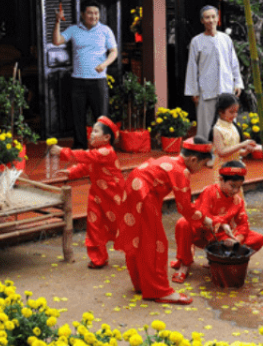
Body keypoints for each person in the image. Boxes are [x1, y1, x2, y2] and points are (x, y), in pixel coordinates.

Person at [114, 137, 215, 305]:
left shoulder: (169, 159)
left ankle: (142, 284)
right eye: (203, 164)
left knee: (140, 240)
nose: (202, 169)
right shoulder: (181, 171)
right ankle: (159, 291)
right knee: (156, 244)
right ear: (193, 159)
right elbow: (184, 207)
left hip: (134, 190)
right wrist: (205, 220)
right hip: (144, 196)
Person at [50, 115, 124, 269]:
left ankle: (137, 250)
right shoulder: (97, 152)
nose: (91, 134)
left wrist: (62, 151)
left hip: (113, 195)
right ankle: (98, 258)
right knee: (94, 225)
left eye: (96, 132)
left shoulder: (106, 152)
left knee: (120, 224)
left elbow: (85, 156)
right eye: (92, 131)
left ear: (107, 137)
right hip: (97, 194)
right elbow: (86, 166)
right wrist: (70, 172)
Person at [171, 160, 263, 283]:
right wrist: (223, 224)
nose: (236, 191)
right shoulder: (209, 191)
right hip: (201, 233)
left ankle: (222, 261)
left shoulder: (238, 201)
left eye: (239, 187)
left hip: (220, 238)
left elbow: (243, 224)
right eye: (232, 186)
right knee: (183, 222)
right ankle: (184, 265)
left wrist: (236, 240)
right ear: (220, 179)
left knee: (258, 238)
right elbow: (202, 215)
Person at [52, 0, 118, 149]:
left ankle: (103, 147)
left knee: (101, 117)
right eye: (90, 13)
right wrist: (57, 21)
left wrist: (104, 64)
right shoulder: (74, 29)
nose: (94, 16)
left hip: (98, 80)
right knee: (78, 117)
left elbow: (113, 52)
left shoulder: (105, 30)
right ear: (82, 14)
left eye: (96, 13)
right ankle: (80, 146)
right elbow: (56, 41)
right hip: (78, 81)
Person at [185, 5, 243, 139]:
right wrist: (193, 91)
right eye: (207, 17)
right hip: (206, 90)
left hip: (226, 87)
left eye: (213, 17)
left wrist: (238, 83)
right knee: (204, 127)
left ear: (218, 18)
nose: (210, 20)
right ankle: (204, 150)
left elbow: (234, 63)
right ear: (202, 20)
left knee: (229, 123)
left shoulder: (226, 39)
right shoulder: (196, 41)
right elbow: (192, 67)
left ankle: (230, 149)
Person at [209, 93, 257, 183]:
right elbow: (222, 152)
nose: (235, 115)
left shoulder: (233, 126)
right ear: (221, 111)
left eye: (236, 112)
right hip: (223, 171)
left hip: (235, 168)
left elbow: (236, 152)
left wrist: (246, 151)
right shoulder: (217, 129)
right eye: (231, 112)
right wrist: (242, 144)